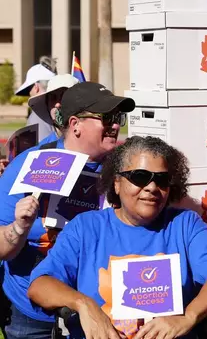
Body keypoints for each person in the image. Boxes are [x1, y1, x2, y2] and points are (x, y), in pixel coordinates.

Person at [27, 136, 207, 339]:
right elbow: (39, 285)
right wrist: (82, 303)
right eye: (140, 177)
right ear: (117, 183)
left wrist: (189, 316)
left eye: (162, 180)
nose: (151, 187)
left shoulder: (185, 224)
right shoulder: (85, 227)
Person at [0, 82, 135, 339]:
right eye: (106, 117)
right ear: (75, 125)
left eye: (118, 117)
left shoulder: (125, 172)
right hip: (31, 316)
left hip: (101, 311)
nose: (116, 125)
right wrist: (18, 228)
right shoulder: (29, 165)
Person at [27, 74, 80, 144]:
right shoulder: (40, 150)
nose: (58, 104)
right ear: (47, 104)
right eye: (53, 98)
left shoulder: (95, 144)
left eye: (64, 96)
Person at [15, 57, 58, 142]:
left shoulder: (38, 115)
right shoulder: (59, 109)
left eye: (29, 90)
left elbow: (41, 151)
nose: (29, 94)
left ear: (36, 87)